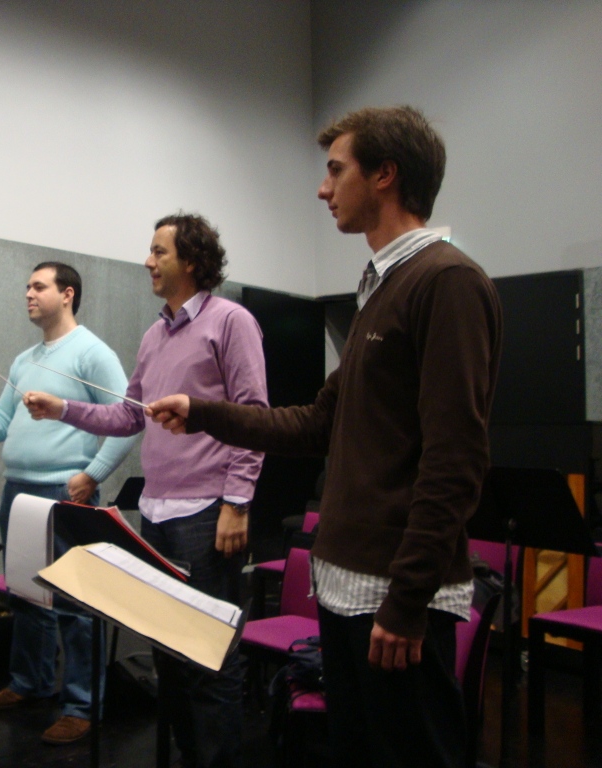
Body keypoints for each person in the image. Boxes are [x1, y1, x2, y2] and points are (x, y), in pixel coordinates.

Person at [149, 106, 503, 768]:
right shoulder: (383, 288)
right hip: (346, 586)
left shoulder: (446, 281)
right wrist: (201, 412)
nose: (322, 188)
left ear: (385, 175)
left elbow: (455, 462)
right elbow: (316, 423)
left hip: (392, 596)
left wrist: (407, 603)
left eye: (336, 171)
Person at [23, 215, 268, 768]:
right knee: (169, 654)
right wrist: (63, 408)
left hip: (207, 513)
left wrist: (238, 501)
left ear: (193, 261)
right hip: (156, 516)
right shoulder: (155, 334)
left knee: (208, 657)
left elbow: (254, 416)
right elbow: (128, 416)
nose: (147, 261)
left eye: (159, 251)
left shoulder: (232, 321)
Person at [0, 262, 135, 745]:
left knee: (74, 604)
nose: (28, 294)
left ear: (68, 294)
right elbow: (0, 424)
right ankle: (29, 682)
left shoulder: (93, 353)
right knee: (26, 596)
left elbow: (128, 420)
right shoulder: (24, 359)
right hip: (17, 492)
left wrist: (93, 474)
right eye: (27, 287)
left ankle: (81, 705)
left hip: (65, 494)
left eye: (39, 286)